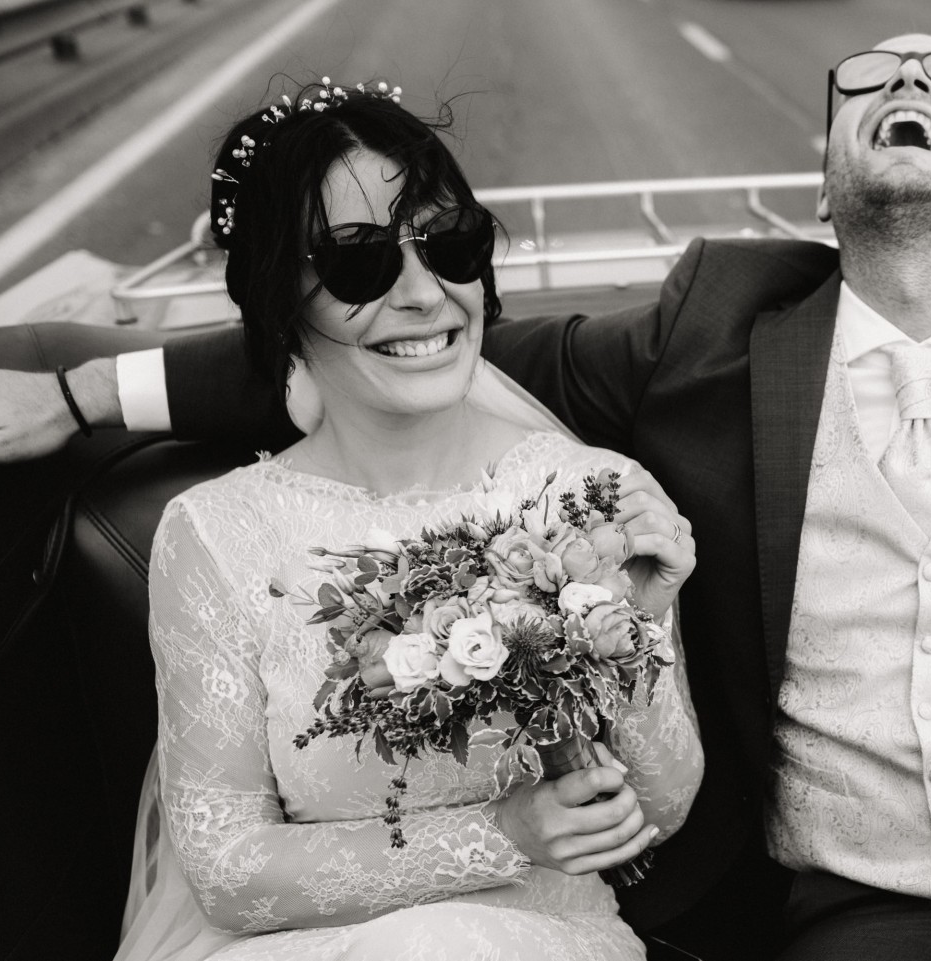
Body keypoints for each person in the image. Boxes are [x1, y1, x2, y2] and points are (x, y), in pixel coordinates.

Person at [0, 33, 931, 961]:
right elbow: (398, 344)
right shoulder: (711, 331)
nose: (907, 79)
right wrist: (88, 392)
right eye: (864, 82)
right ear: (823, 182)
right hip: (853, 910)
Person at [76, 81, 703, 961]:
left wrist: (641, 622)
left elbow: (662, 806)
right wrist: (503, 833)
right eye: (358, 263)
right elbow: (227, 866)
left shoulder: (589, 493)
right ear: (281, 300)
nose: (424, 294)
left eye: (450, 243)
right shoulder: (215, 532)